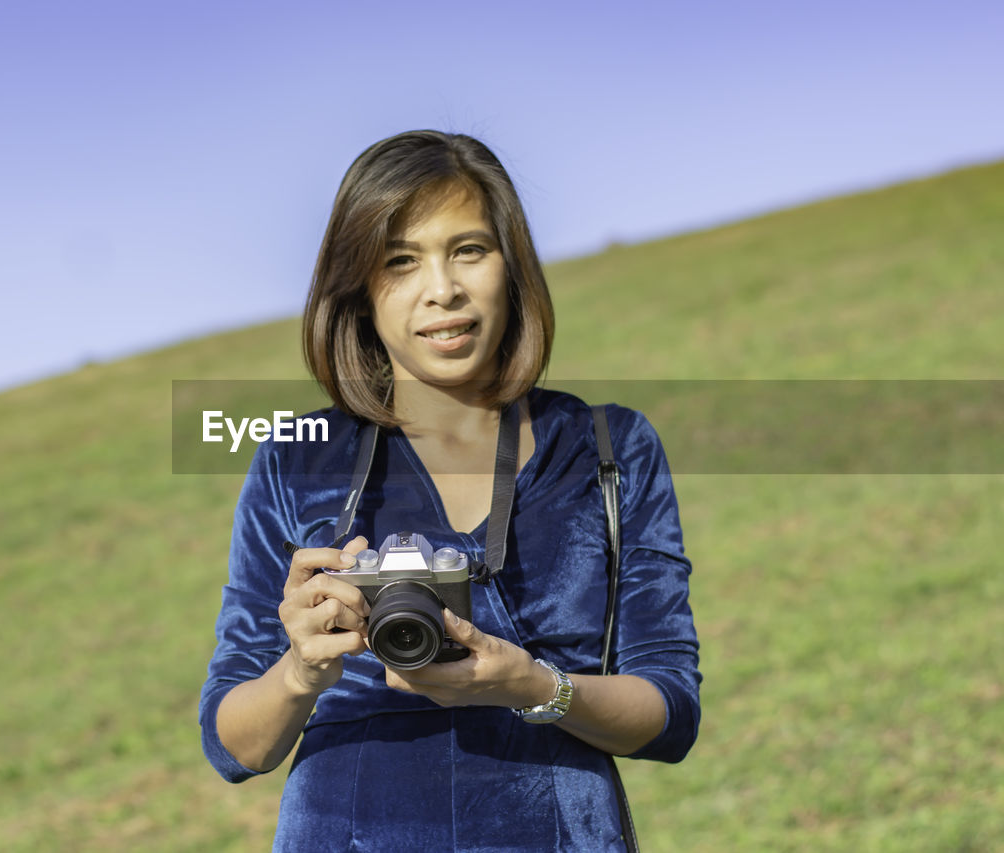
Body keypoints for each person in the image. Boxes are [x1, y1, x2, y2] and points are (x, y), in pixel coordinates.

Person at [199, 130, 701, 851]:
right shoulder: (293, 458)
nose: (443, 289)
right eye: (400, 261)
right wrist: (300, 669)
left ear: (512, 264)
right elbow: (232, 746)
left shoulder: (609, 446)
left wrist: (533, 686)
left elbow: (670, 710)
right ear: (360, 290)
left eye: (469, 249)